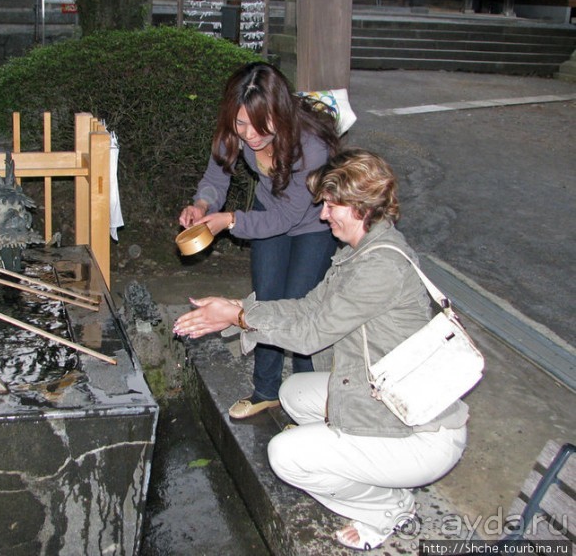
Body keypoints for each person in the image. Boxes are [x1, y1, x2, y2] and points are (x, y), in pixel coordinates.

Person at [173, 149, 468, 551]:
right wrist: (238, 309)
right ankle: (356, 459)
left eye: (331, 205)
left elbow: (312, 332)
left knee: (285, 456)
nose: (324, 215)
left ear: (361, 206)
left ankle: (385, 508)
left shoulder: (380, 267)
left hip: (420, 434)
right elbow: (309, 307)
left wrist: (239, 318)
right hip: (382, 393)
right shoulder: (360, 252)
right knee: (293, 395)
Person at [178, 62, 340, 420]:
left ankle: (311, 405)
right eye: (241, 124)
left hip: (312, 223)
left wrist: (231, 221)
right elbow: (216, 175)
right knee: (266, 299)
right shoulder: (235, 127)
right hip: (268, 210)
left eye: (260, 124)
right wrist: (202, 203)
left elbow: (287, 219)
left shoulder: (310, 147)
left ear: (280, 113)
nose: (249, 135)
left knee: (300, 306)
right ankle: (266, 391)